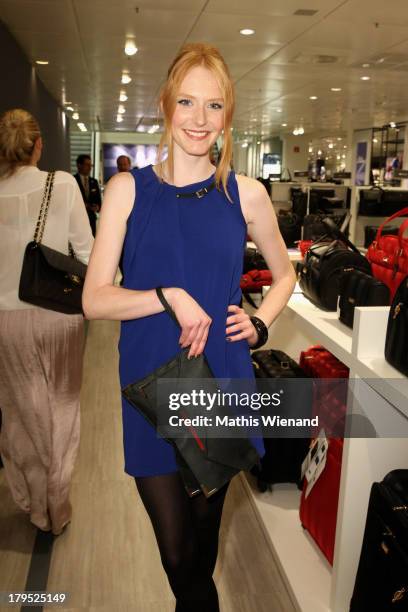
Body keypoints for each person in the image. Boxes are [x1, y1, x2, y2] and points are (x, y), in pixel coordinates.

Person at [83, 43, 296, 611]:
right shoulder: (130, 190)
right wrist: (167, 295)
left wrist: (260, 323)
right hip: (150, 387)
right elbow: (94, 299)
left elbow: (285, 274)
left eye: (214, 105)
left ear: (228, 115)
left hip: (220, 381)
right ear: (165, 105)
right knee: (176, 556)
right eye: (186, 102)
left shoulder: (245, 195)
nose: (199, 120)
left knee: (201, 551)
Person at [0, 109, 94, 535]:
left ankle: (34, 502)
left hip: (7, 321)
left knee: (20, 413)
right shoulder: (64, 184)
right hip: (59, 316)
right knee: (62, 409)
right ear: (38, 145)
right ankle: (57, 500)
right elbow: (87, 253)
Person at [74, 154, 102, 236]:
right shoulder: (73, 180)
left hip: (91, 220)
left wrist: (97, 207)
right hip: (77, 220)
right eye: (87, 165)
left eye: (91, 165)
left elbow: (99, 201)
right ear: (79, 165)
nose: (90, 168)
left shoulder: (94, 181)